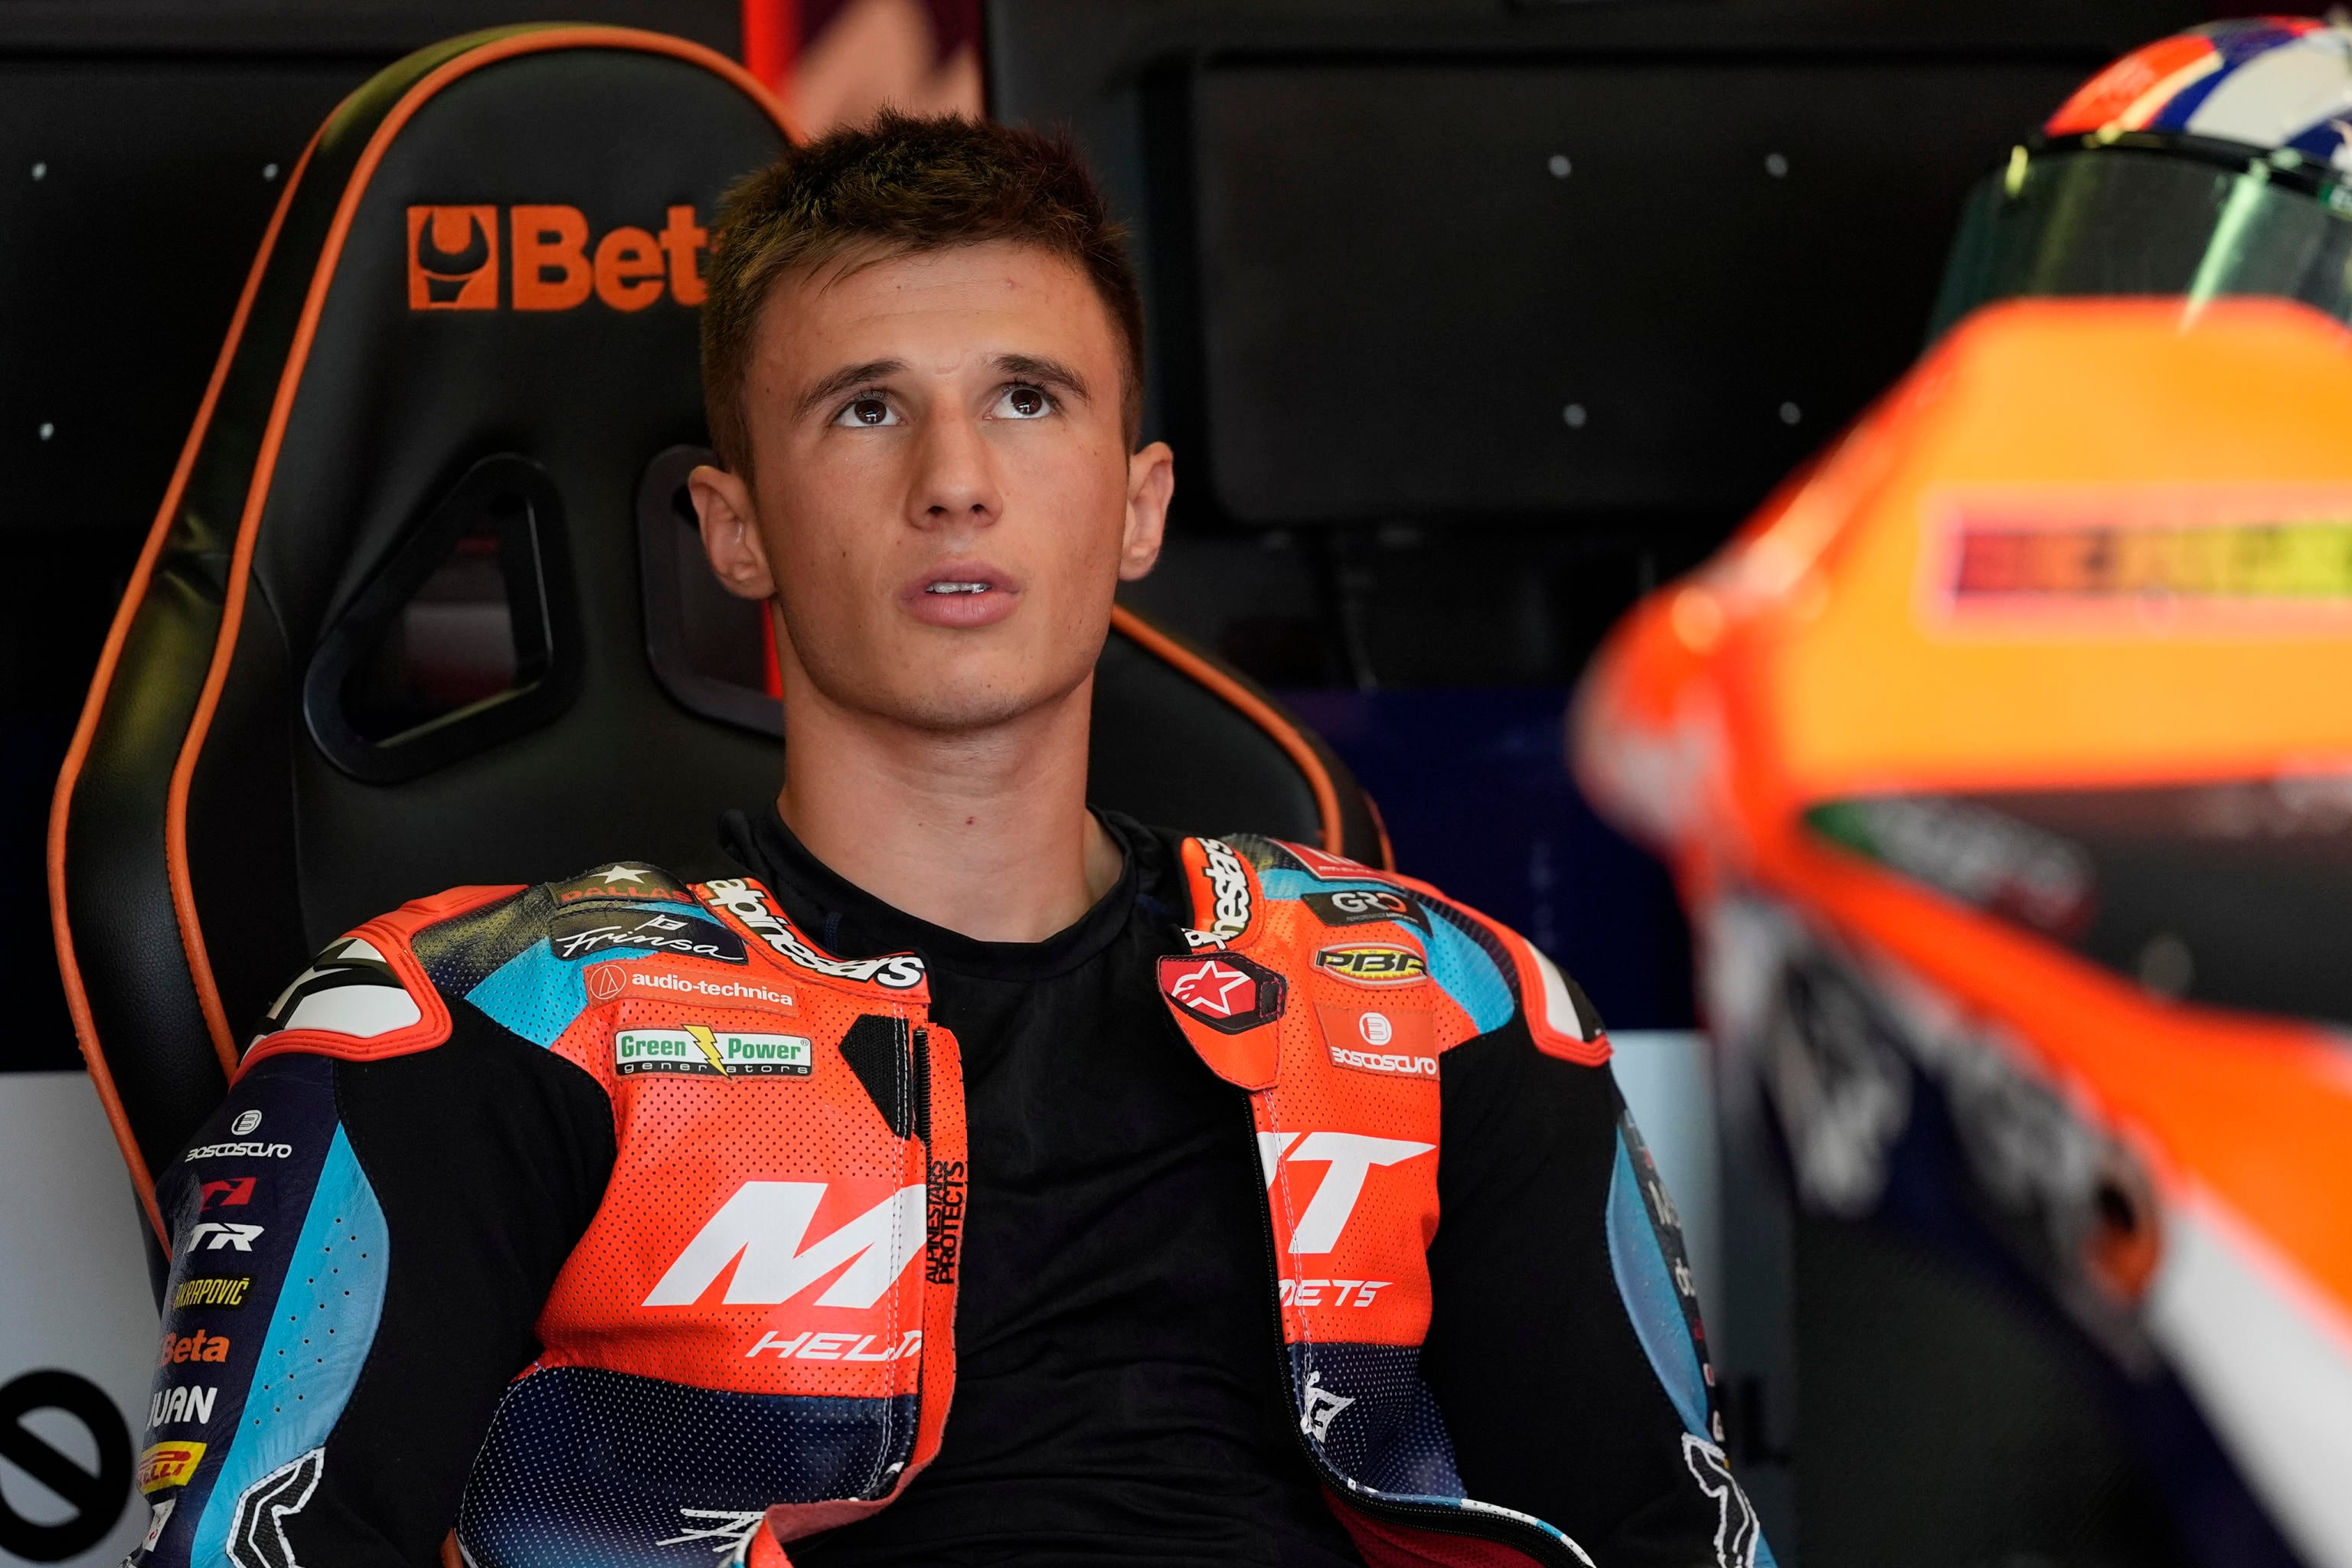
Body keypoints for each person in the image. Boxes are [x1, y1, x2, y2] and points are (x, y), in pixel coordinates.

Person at [130, 113, 1768, 1568]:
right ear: (735, 528)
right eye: (864, 412)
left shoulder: (1443, 1004)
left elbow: (1662, 1533)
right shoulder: (477, 1023)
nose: (957, 481)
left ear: (1137, 508)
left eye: (1027, 398)